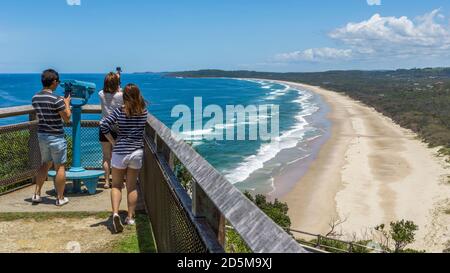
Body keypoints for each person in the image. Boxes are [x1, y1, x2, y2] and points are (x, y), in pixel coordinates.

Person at [100, 84, 148, 233]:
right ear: (138, 95)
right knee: (132, 186)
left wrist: (113, 141)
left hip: (120, 151)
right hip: (136, 152)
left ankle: (115, 213)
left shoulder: (119, 112)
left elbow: (103, 124)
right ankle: (130, 217)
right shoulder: (144, 112)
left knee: (116, 185)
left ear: (124, 97)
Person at [31, 69, 71, 206]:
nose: (58, 84)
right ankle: (60, 198)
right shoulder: (57, 99)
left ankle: (36, 194)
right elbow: (67, 118)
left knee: (45, 164)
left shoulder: (35, 98)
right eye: (58, 82)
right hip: (56, 136)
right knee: (59, 167)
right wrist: (66, 103)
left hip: (42, 135)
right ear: (53, 82)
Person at [99, 72, 123, 189]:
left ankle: (107, 182)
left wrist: (114, 80)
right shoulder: (120, 95)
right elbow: (120, 92)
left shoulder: (101, 94)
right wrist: (118, 81)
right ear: (117, 84)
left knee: (106, 156)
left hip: (104, 127)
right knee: (117, 156)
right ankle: (118, 181)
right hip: (117, 128)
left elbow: (104, 90)